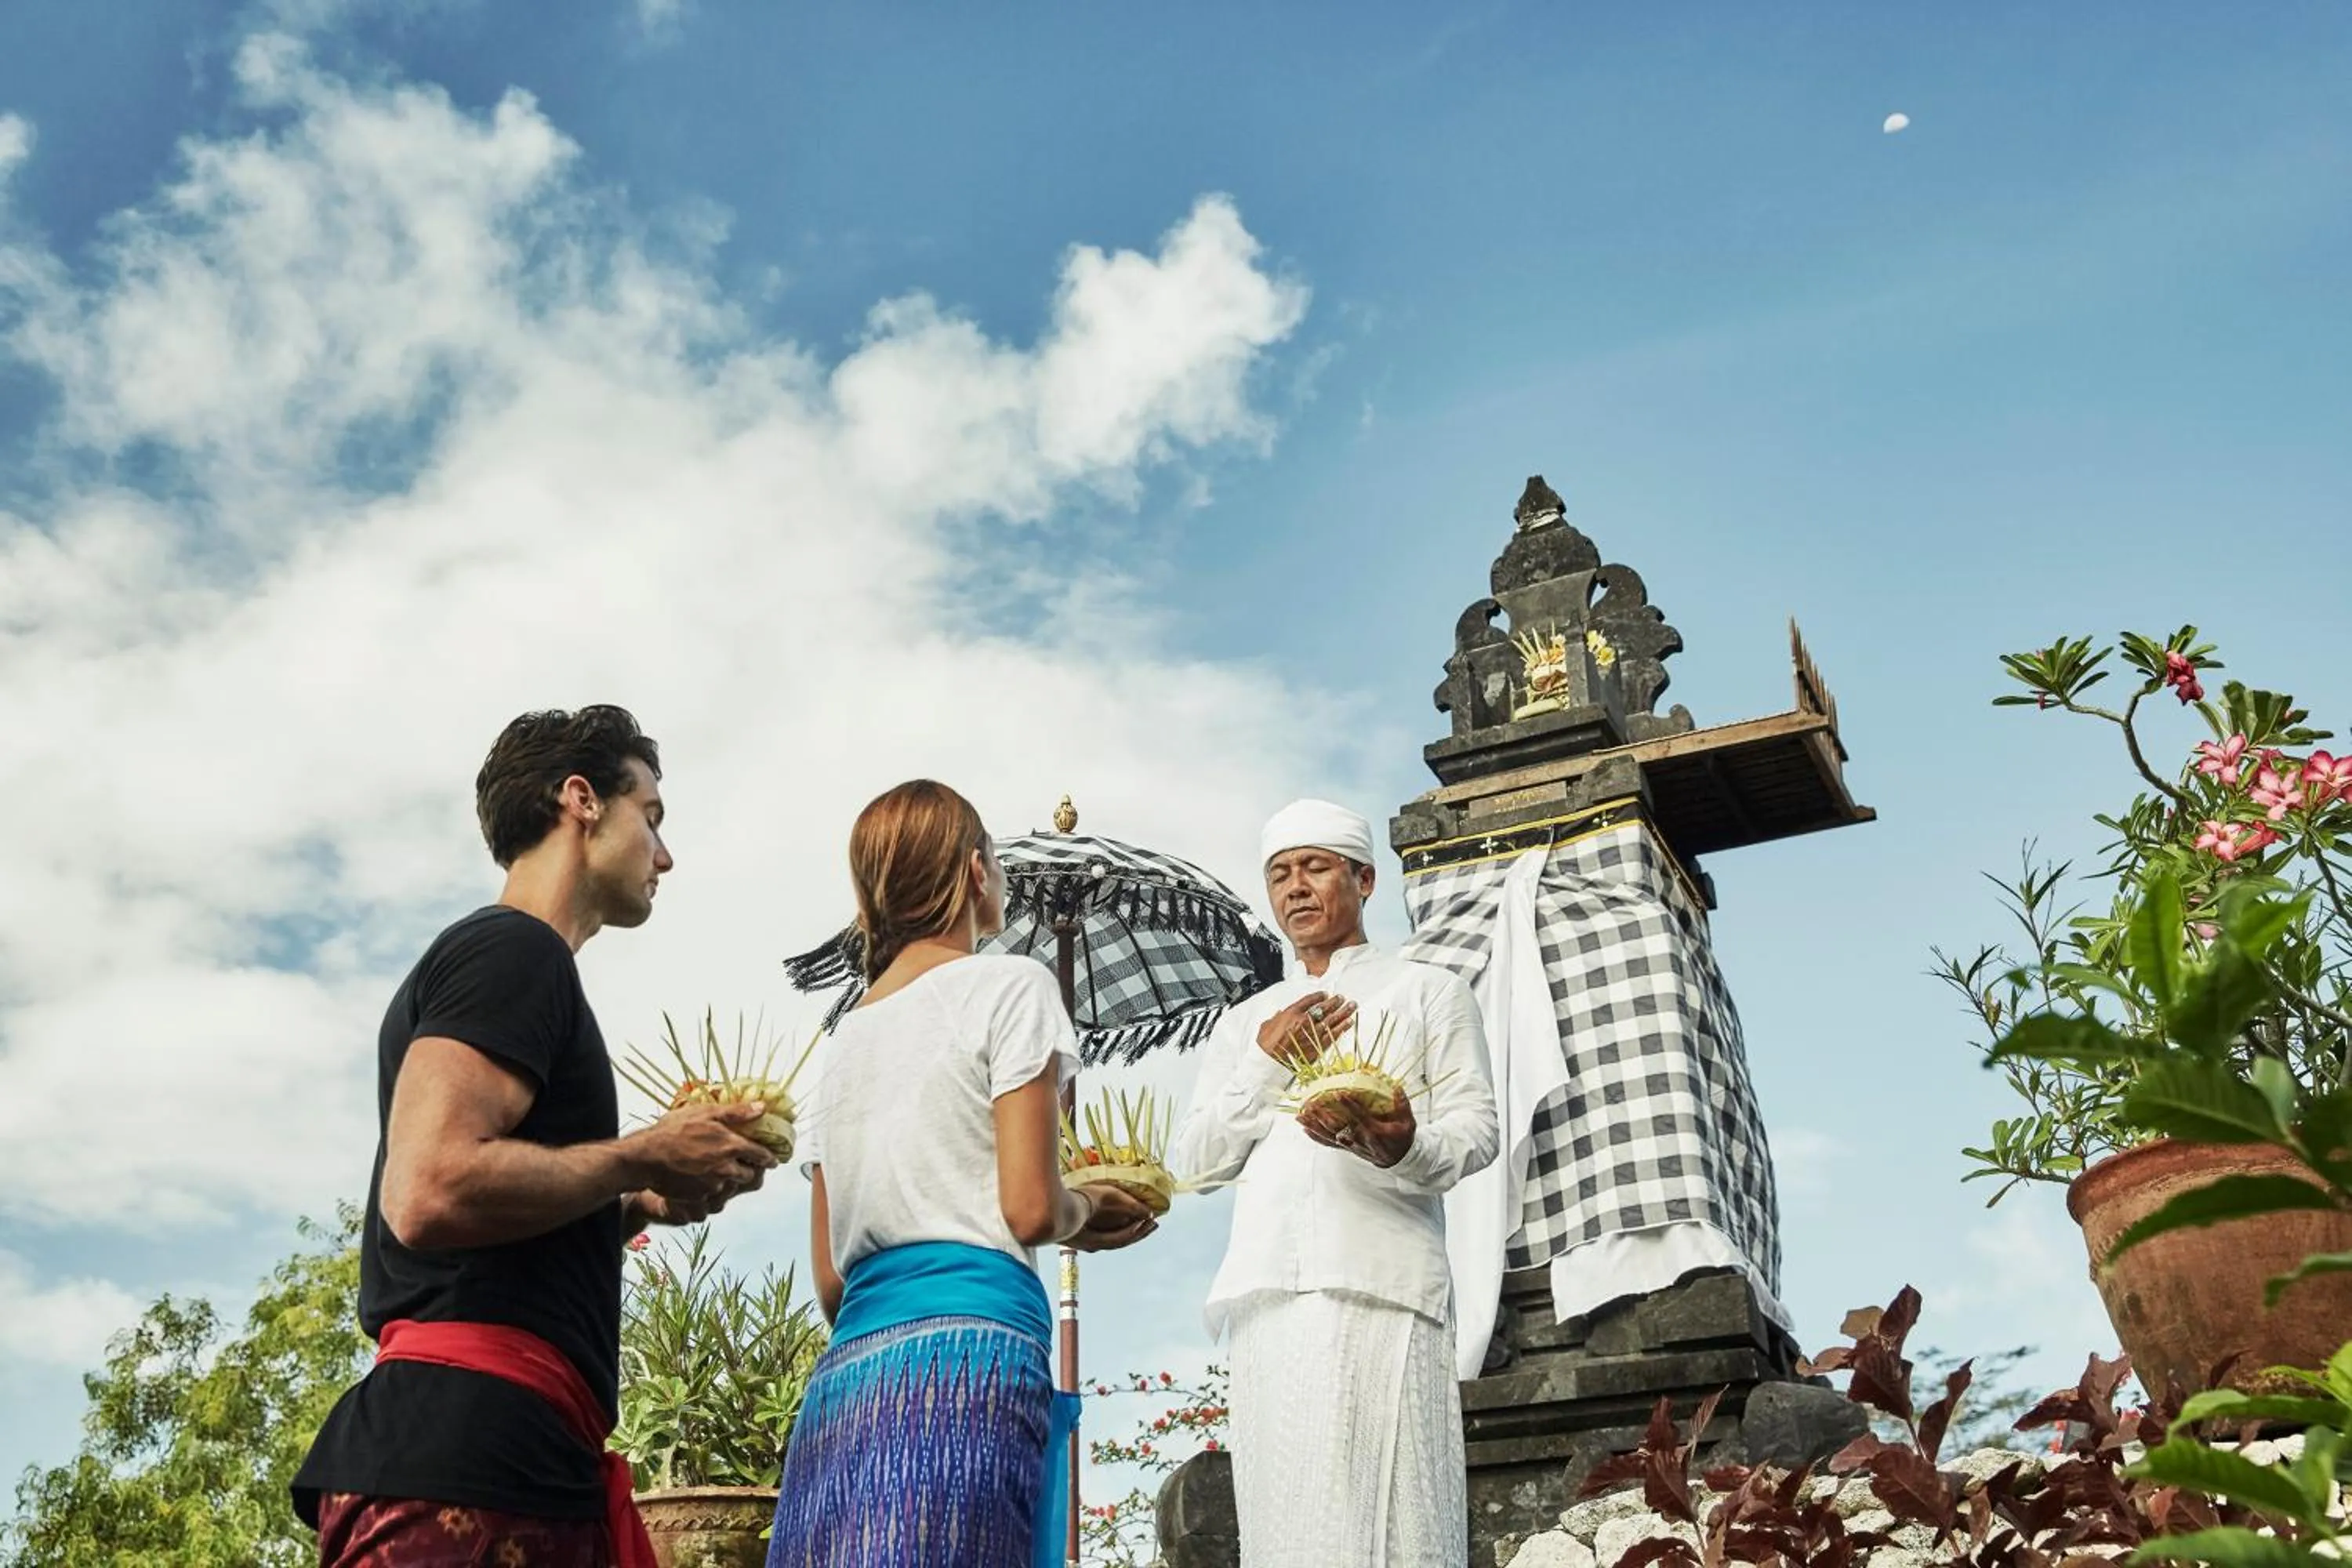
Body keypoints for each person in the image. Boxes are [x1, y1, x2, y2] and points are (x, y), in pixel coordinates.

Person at [293, 706, 779, 1568]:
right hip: (464, 1457)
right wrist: (641, 1151)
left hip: (508, 1456)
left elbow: (488, 1218)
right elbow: (432, 1187)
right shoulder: (513, 951)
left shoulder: (518, 961)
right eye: (653, 817)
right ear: (581, 799)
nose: (664, 854)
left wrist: (639, 1197)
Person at [767, 779, 1158, 1568]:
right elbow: (1030, 1207)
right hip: (970, 1354)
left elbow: (833, 1281)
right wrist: (1091, 1205)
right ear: (977, 873)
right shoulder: (1012, 986)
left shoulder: (844, 1041)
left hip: (850, 1373)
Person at [1168, 797, 1500, 1568]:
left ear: (1365, 879)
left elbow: (1476, 1128)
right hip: (1267, 1299)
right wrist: (1267, 1060)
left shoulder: (1427, 991)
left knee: (1391, 1519)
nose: (1296, 887)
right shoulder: (1247, 1022)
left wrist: (1401, 1144)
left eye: (1315, 866)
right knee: (1289, 1525)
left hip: (1381, 1283)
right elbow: (1195, 1161)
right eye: (1280, 873)